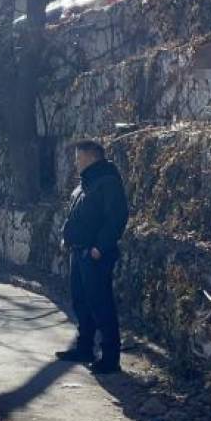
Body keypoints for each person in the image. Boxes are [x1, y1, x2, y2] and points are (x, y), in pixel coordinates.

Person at [56, 140, 130, 374]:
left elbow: (116, 217)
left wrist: (100, 247)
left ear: (91, 157)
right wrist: (65, 237)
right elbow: (74, 217)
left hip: (95, 254)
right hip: (78, 253)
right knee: (81, 302)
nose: (75, 163)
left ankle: (110, 358)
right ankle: (85, 348)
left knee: (101, 304)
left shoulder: (107, 182)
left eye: (78, 158)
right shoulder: (83, 185)